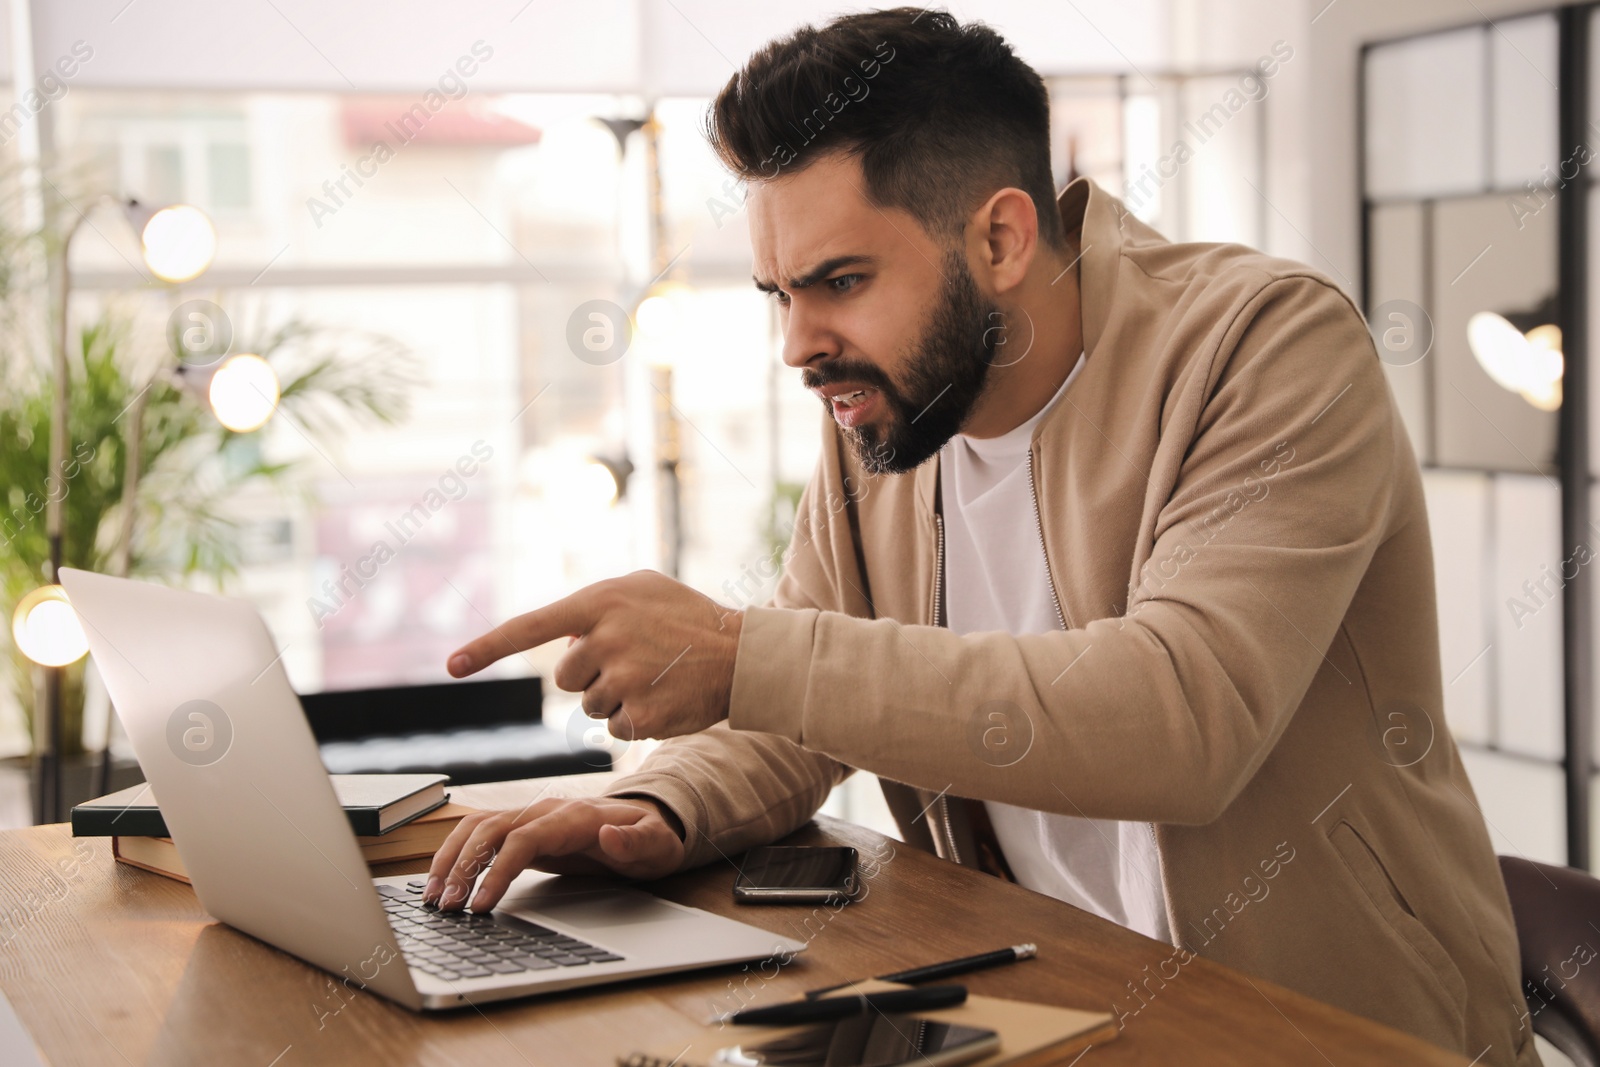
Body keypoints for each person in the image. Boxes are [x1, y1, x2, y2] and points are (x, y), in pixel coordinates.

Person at [425, 8, 1535, 1064]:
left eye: (841, 282)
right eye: (777, 294)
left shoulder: (1266, 347)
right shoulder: (896, 404)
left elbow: (1183, 713)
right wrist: (644, 808)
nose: (798, 346)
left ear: (1001, 235)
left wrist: (739, 650)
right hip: (1060, 999)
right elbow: (796, 704)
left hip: (1330, 1026)